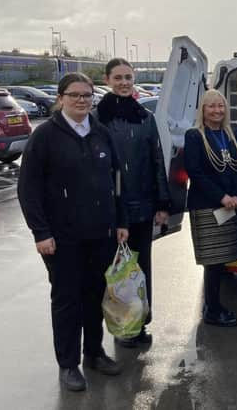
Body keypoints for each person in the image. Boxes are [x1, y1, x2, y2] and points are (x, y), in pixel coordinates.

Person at [18, 72, 128, 392]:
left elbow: (118, 180)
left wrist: (120, 221)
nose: (82, 100)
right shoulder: (46, 137)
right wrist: (40, 233)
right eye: (75, 95)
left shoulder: (101, 133)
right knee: (68, 301)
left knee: (95, 297)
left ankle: (93, 352)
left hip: (102, 234)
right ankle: (68, 365)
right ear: (61, 98)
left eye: (87, 95)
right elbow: (29, 189)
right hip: (63, 239)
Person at [94, 58, 171, 347]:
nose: (124, 82)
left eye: (128, 77)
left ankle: (138, 323)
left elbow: (156, 160)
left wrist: (163, 203)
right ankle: (119, 326)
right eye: (118, 77)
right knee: (116, 273)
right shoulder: (97, 119)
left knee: (140, 270)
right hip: (112, 211)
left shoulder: (145, 118)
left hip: (143, 207)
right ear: (107, 80)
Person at [184, 89, 237, 326]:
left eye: (220, 106)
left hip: (231, 204)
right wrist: (222, 197)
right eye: (211, 106)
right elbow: (195, 172)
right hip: (208, 206)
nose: (216, 110)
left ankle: (214, 304)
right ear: (203, 109)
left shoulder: (233, 135)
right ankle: (212, 308)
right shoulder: (194, 136)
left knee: (223, 260)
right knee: (212, 261)